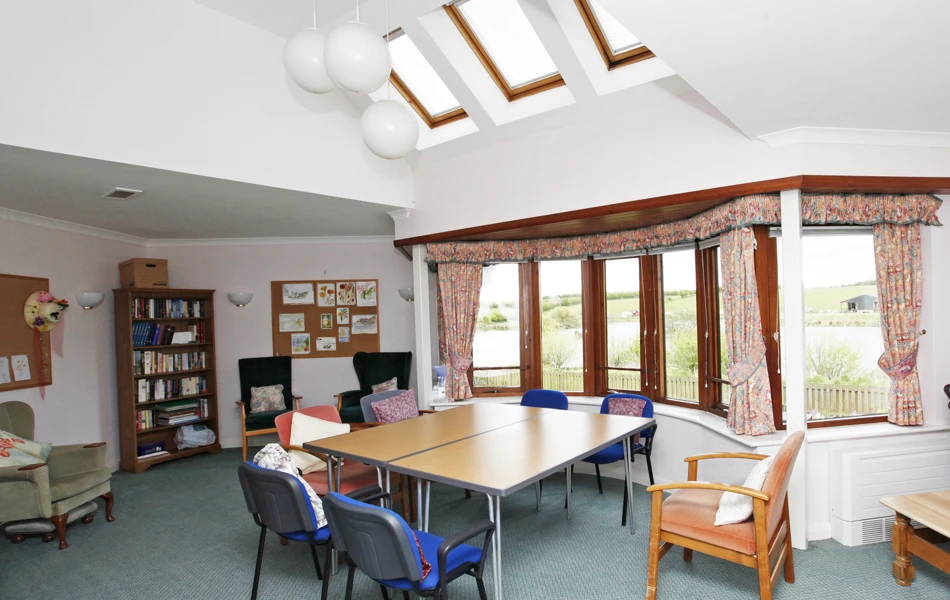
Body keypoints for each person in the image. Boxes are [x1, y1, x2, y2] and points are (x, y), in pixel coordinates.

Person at [253, 443, 326, 528]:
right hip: (309, 526)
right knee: (339, 503)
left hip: (272, 519)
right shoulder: (289, 480)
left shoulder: (263, 462)